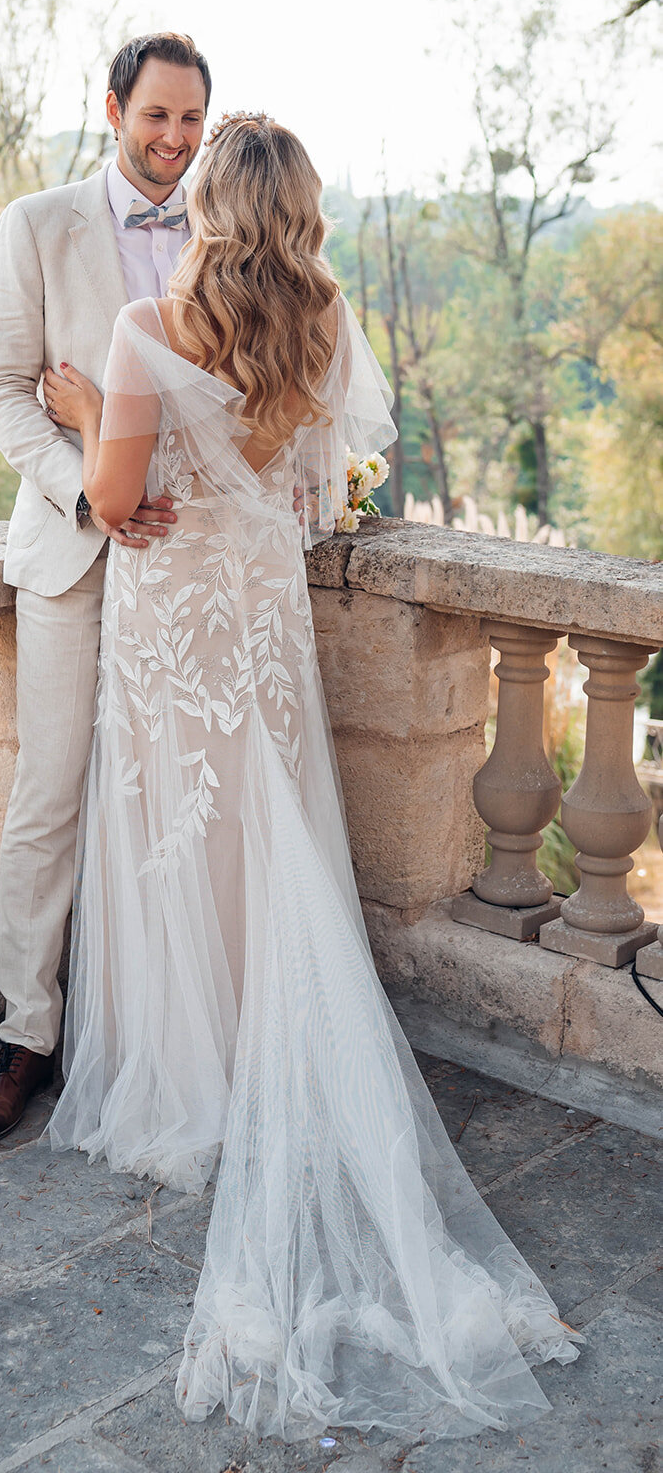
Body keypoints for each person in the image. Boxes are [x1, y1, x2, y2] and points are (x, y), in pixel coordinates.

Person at [41, 113, 584, 1443]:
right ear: (297, 214)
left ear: (211, 208)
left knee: (177, 833)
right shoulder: (325, 329)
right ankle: (262, 1052)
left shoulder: (143, 332)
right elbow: (322, 483)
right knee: (263, 826)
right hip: (261, 617)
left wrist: (81, 411)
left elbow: (111, 500)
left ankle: (197, 1070)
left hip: (172, 624)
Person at [0, 33, 211, 1147]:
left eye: (191, 119)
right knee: (49, 795)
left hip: (188, 563)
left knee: (174, 797)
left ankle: (152, 1028)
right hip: (70, 553)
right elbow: (3, 390)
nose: (174, 139)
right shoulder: (36, 223)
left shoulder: (223, 231)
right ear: (112, 109)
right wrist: (82, 491)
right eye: (156, 115)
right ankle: (25, 1037)